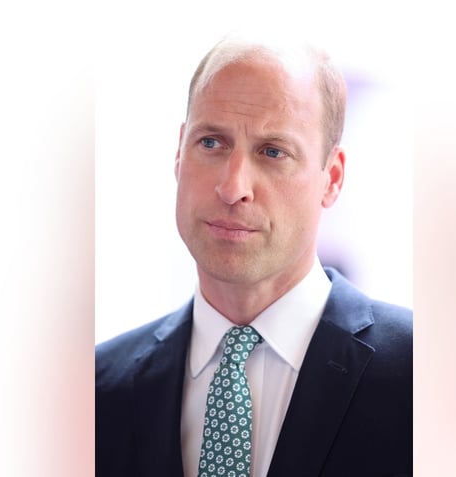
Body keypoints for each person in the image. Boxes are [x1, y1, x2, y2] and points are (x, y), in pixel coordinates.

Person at [95, 33, 412, 477]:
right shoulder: (96, 391)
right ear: (179, 153)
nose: (233, 187)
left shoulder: (421, 378)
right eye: (211, 143)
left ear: (332, 178)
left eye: (273, 151)